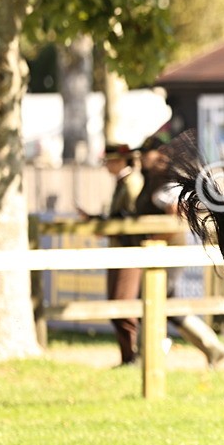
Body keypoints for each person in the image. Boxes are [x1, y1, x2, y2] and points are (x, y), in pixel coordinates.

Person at [136, 127, 224, 368]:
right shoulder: (152, 179)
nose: (141, 158)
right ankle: (212, 347)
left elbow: (176, 219)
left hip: (168, 246)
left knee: (150, 297)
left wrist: (154, 237)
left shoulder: (168, 180)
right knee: (169, 303)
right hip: (160, 247)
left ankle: (148, 355)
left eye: (145, 153)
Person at [82, 143, 145, 366]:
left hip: (129, 251)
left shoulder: (131, 183)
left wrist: (104, 224)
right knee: (117, 304)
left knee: (122, 304)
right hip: (120, 250)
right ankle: (128, 356)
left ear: (120, 161)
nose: (107, 165)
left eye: (110, 161)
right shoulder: (124, 183)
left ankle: (133, 356)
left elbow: (129, 218)